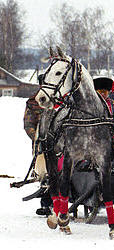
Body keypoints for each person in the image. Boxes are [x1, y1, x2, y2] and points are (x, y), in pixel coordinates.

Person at [23, 74, 53, 216]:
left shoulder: (61, 100)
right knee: (45, 173)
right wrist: (38, 139)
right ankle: (47, 204)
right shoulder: (33, 102)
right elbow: (28, 124)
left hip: (62, 142)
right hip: (43, 144)